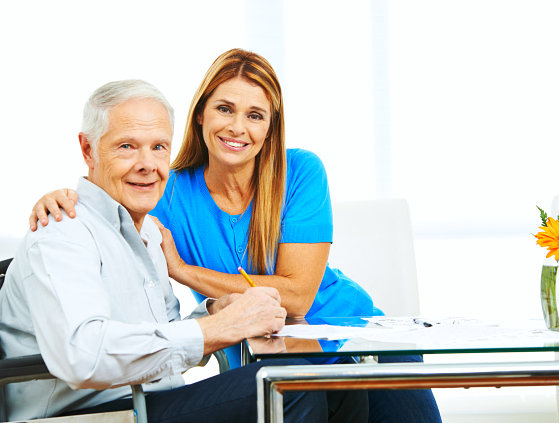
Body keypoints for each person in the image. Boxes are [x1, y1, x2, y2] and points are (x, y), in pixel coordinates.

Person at [28, 49, 442, 423]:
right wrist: (65, 197)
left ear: (269, 128)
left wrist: (185, 272)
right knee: (295, 389)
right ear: (202, 115)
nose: (237, 127)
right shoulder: (167, 189)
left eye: (255, 115)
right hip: (261, 351)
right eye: (225, 108)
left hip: (352, 332)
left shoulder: (299, 171)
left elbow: (297, 297)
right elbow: (112, 196)